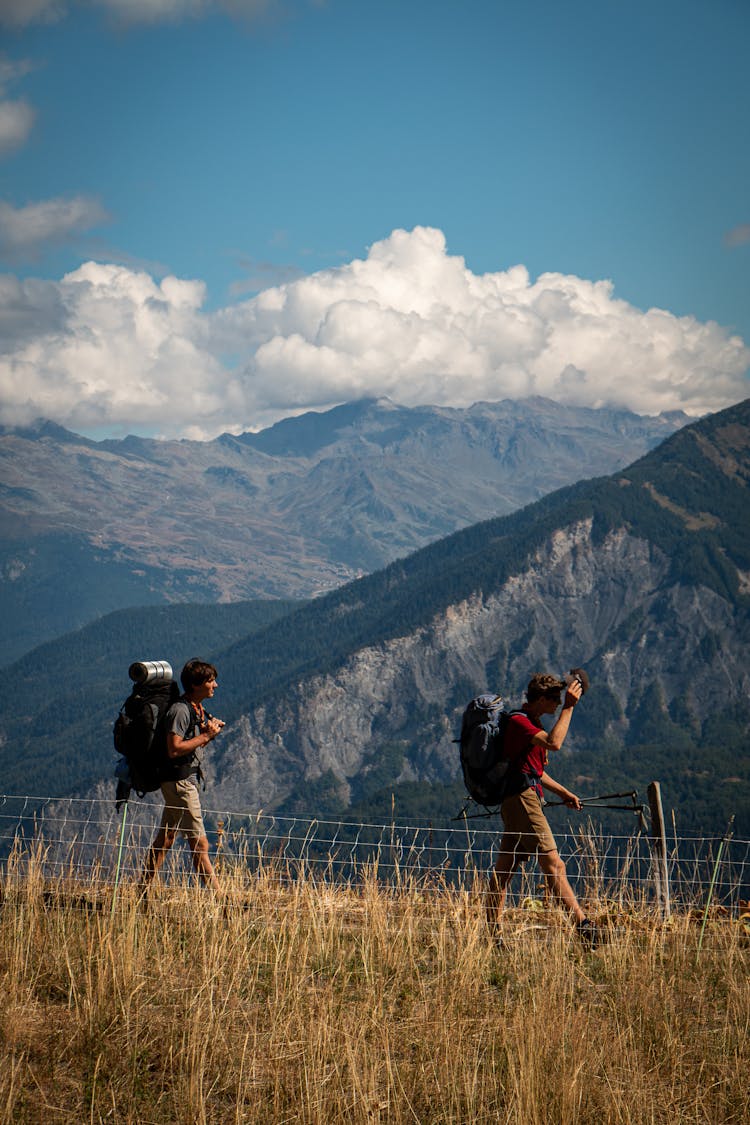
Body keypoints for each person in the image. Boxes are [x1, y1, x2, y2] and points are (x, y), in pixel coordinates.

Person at [485, 672, 602, 946]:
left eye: (560, 699)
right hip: (523, 800)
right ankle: (583, 926)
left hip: (520, 799)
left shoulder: (529, 722)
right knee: (553, 863)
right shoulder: (520, 722)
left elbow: (534, 772)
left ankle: (493, 935)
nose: (558, 703)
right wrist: (570, 707)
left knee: (504, 870)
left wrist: (564, 793)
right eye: (554, 699)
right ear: (540, 699)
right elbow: (555, 743)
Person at [140, 658, 225, 895]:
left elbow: (188, 749)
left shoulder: (195, 708)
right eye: (211, 681)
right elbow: (174, 748)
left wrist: (208, 733)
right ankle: (224, 904)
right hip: (180, 784)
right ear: (197, 684)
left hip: (179, 780)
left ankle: (142, 893)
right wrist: (206, 737)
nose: (215, 685)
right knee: (200, 845)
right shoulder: (180, 710)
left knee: (165, 840)